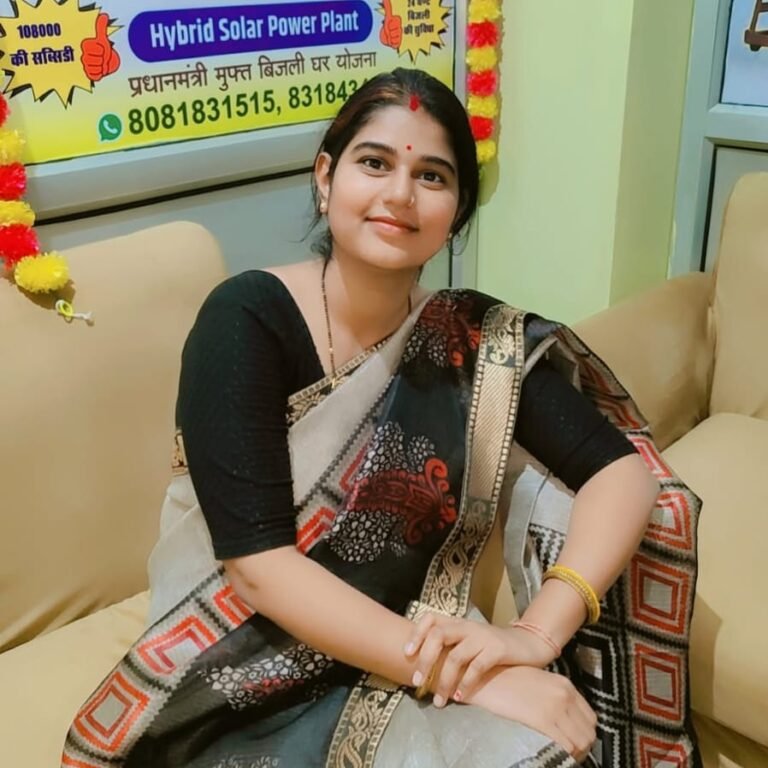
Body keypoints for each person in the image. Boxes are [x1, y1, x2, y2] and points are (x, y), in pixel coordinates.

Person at [62, 68, 701, 768]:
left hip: (407, 632)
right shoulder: (244, 319)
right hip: (242, 650)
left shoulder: (471, 340)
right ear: (325, 178)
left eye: (431, 176)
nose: (400, 194)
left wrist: (534, 637)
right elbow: (258, 570)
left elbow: (623, 476)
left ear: (457, 210)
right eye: (374, 163)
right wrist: (474, 678)